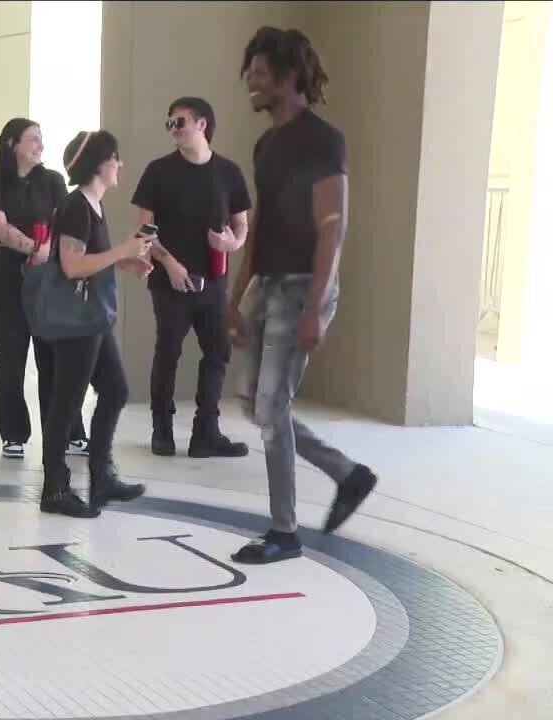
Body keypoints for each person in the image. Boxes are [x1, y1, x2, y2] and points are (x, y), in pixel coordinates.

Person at [228, 27, 378, 563]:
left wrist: (317, 304)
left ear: (289, 77)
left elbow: (332, 226)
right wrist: (237, 294)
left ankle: (283, 532)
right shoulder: (266, 144)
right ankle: (347, 473)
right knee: (257, 404)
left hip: (302, 288)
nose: (251, 82)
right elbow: (263, 223)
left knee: (271, 406)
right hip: (267, 284)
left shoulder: (323, 140)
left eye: (261, 74)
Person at [40, 130, 154, 518]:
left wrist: (126, 261)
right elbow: (72, 266)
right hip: (78, 321)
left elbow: (92, 258)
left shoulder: (93, 205)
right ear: (101, 164)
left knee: (116, 390)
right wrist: (122, 250)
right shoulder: (76, 207)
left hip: (93, 317)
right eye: (116, 158)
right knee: (66, 403)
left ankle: (101, 475)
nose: (120, 165)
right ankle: (54, 488)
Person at [132, 97, 252, 458]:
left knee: (218, 351)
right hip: (169, 283)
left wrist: (232, 242)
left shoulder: (228, 172)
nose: (174, 128)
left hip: (213, 281)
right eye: (169, 123)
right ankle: (162, 431)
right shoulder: (158, 171)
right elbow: (144, 232)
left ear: (202, 124)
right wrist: (170, 264)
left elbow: (241, 225)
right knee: (168, 351)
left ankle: (206, 432)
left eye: (180, 121)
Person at [0, 118, 90, 460]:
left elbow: (67, 222)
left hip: (48, 280)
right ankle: (13, 433)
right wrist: (32, 248)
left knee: (54, 358)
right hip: (7, 276)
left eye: (41, 140)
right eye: (33, 140)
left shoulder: (52, 180)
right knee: (10, 358)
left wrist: (47, 250)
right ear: (12, 144)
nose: (40, 146)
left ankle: (68, 432)